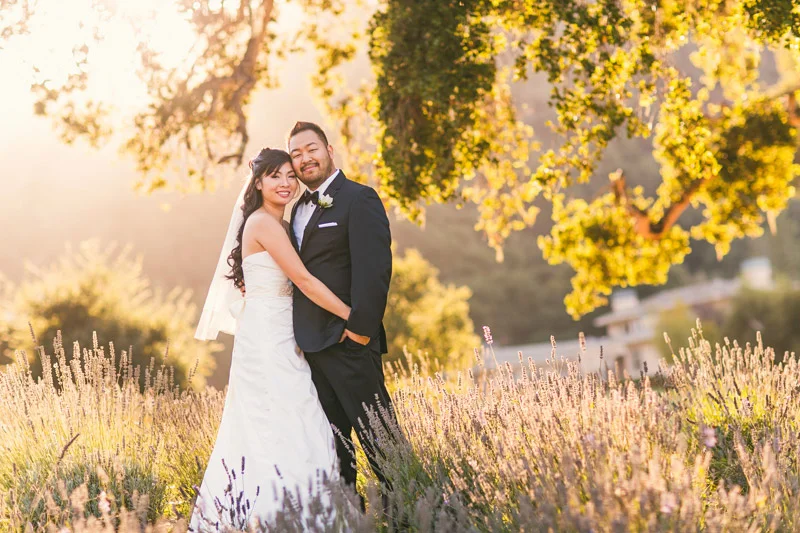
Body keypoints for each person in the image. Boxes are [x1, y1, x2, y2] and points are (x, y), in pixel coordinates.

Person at [190, 148, 349, 531]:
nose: (285, 183)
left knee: (289, 417)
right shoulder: (263, 223)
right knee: (284, 417)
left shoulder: (282, 223)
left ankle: (290, 515)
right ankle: (274, 517)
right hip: (267, 340)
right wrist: (351, 316)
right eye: (275, 176)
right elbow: (304, 281)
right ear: (258, 182)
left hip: (280, 332)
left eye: (291, 176)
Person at [287, 121, 398, 512]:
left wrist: (360, 332)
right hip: (311, 349)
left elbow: (375, 271)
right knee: (333, 448)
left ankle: (410, 516)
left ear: (329, 150)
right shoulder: (295, 209)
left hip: (350, 343)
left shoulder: (359, 198)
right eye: (296, 154)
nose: (305, 158)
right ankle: (350, 518)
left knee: (381, 441)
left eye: (311, 149)